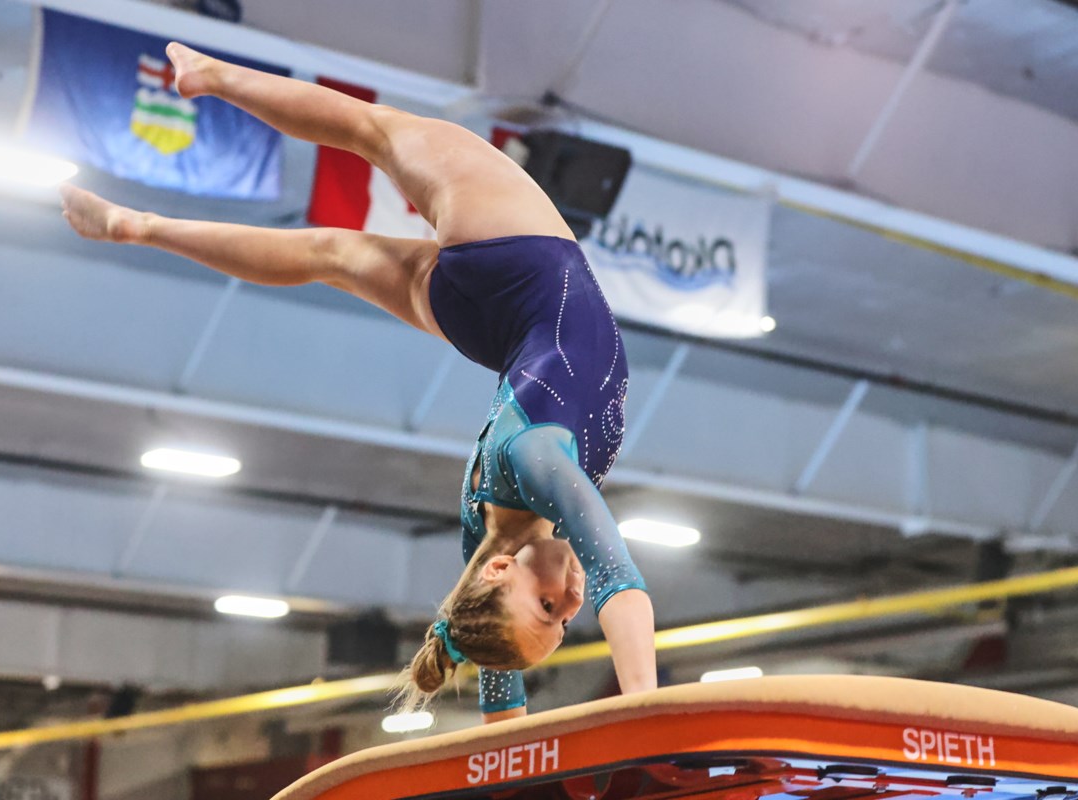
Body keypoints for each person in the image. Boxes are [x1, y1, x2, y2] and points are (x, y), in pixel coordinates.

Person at [60, 42, 657, 723]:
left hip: (519, 256)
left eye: (546, 608)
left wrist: (643, 711)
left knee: (370, 130)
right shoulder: (485, 532)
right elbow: (501, 691)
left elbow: (619, 583)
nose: (570, 605)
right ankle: (142, 227)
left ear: (499, 572)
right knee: (328, 255)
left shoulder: (538, 462)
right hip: (488, 326)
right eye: (561, 625)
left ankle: (215, 76)